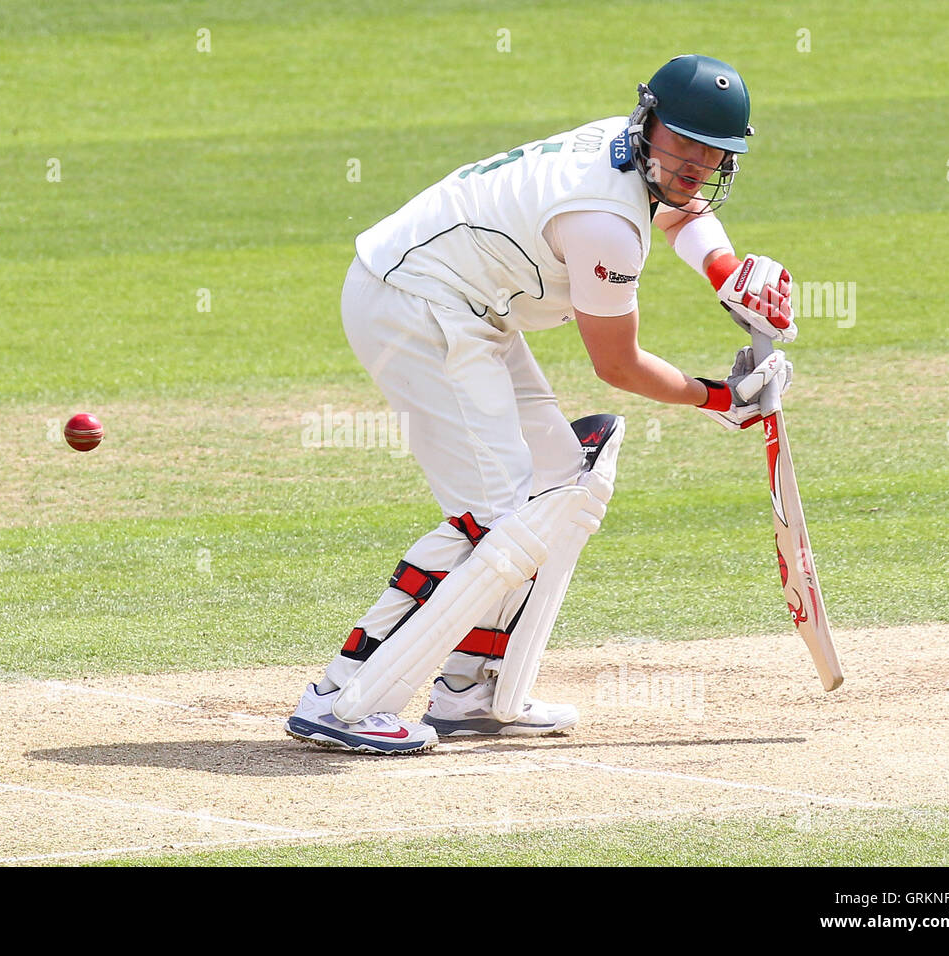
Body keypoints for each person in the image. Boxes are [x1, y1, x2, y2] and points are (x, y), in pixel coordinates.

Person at [286, 54, 796, 754]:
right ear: (650, 123)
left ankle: (472, 688)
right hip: (414, 302)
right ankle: (343, 697)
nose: (696, 165)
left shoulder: (630, 148)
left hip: (467, 304)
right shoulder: (604, 222)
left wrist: (726, 272)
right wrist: (722, 399)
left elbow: (682, 208)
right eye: (685, 144)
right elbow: (616, 364)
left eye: (714, 153)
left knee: (557, 480)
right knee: (496, 519)